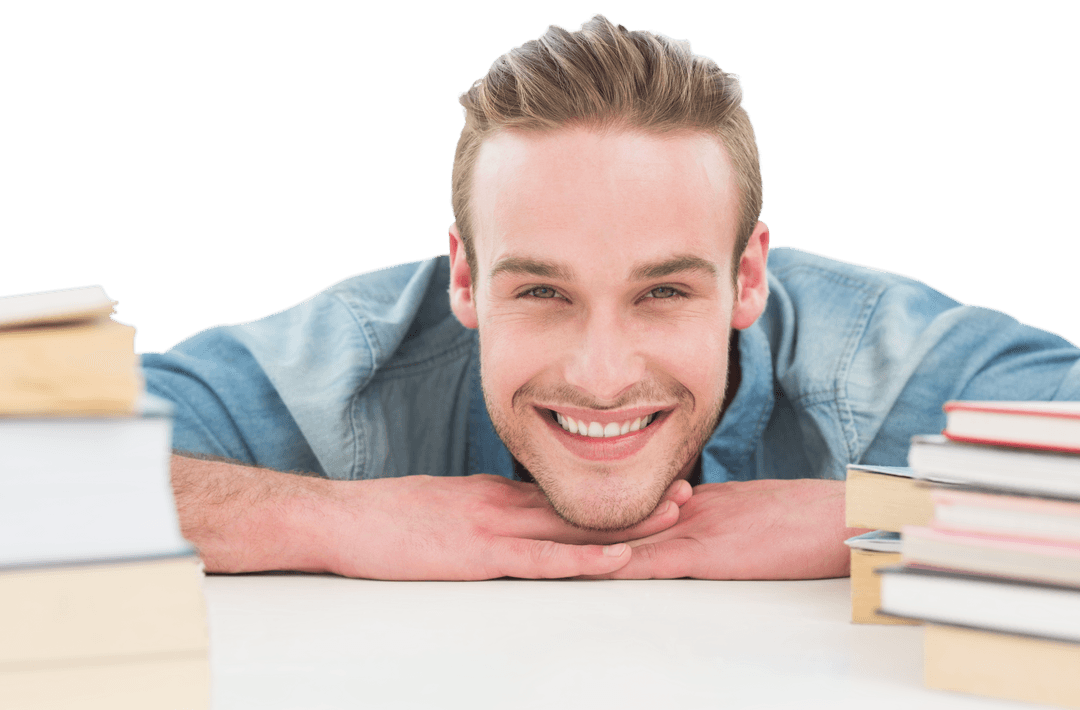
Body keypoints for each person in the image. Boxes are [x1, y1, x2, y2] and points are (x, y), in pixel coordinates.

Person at [142, 14, 1080, 581]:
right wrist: (333, 519)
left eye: (664, 291)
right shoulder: (353, 360)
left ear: (749, 276)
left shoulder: (875, 359)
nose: (601, 377)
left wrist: (870, 515)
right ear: (464, 278)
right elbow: (29, 459)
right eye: (543, 291)